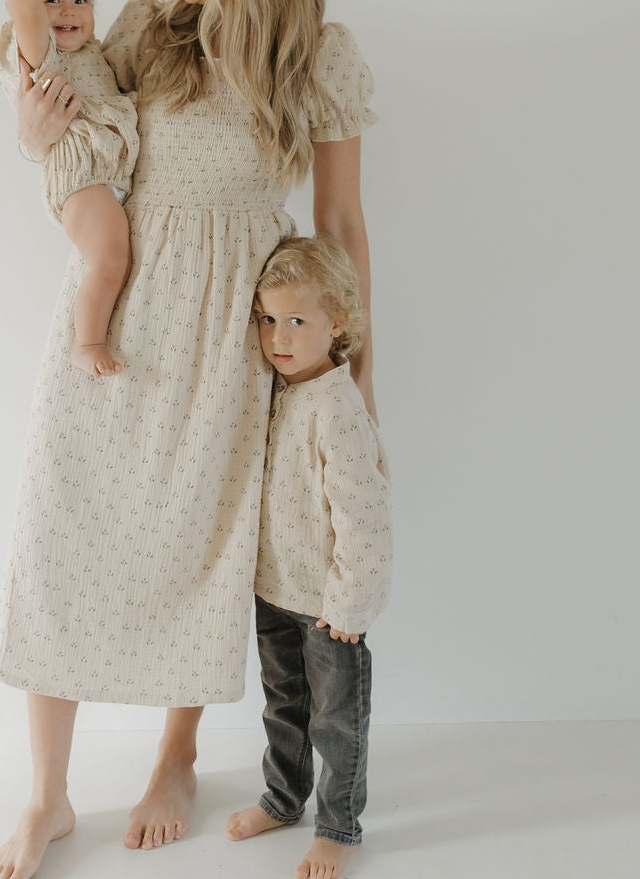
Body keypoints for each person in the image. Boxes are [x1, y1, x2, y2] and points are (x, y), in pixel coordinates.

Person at [0, 0, 379, 879]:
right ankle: (46, 797)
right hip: (118, 318)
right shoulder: (146, 32)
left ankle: (176, 752)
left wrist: (354, 379)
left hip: (233, 339)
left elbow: (338, 225)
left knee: (203, 546)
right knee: (59, 531)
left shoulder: (313, 58)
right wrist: (30, 133)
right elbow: (76, 130)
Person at [226, 235, 392, 879]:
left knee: (336, 723)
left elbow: (365, 517)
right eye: (269, 320)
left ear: (339, 323)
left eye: (298, 321)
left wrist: (350, 604)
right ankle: (282, 797)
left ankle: (339, 825)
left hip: (329, 607)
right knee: (283, 705)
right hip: (275, 590)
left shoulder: (338, 408)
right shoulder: (278, 392)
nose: (279, 337)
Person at [0, 0, 138, 377]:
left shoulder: (94, 54)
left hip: (106, 178)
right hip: (81, 177)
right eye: (52, 0)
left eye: (80, 0)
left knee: (118, 257)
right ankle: (87, 343)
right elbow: (28, 17)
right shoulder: (42, 55)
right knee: (111, 259)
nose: (68, 10)